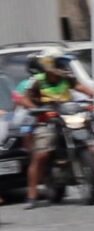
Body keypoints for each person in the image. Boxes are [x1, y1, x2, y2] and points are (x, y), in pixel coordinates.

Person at [11, 53, 85, 204]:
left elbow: (82, 88)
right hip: (46, 120)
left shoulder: (67, 78)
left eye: (60, 66)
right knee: (41, 155)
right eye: (57, 65)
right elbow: (24, 98)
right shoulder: (37, 82)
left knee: (92, 146)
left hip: (66, 117)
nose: (60, 69)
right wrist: (36, 108)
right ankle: (32, 195)